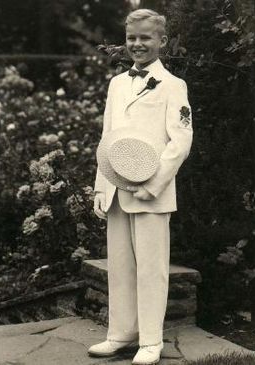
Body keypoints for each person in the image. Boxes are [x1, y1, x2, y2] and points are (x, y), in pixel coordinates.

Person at [88, 8, 193, 365]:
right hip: (118, 188)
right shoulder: (117, 84)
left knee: (151, 266)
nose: (137, 44)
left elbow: (180, 141)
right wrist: (102, 188)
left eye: (145, 38)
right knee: (119, 265)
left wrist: (156, 183)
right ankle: (121, 333)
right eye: (132, 38)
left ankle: (150, 340)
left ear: (162, 42)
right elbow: (108, 139)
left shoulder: (173, 86)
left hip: (152, 190)